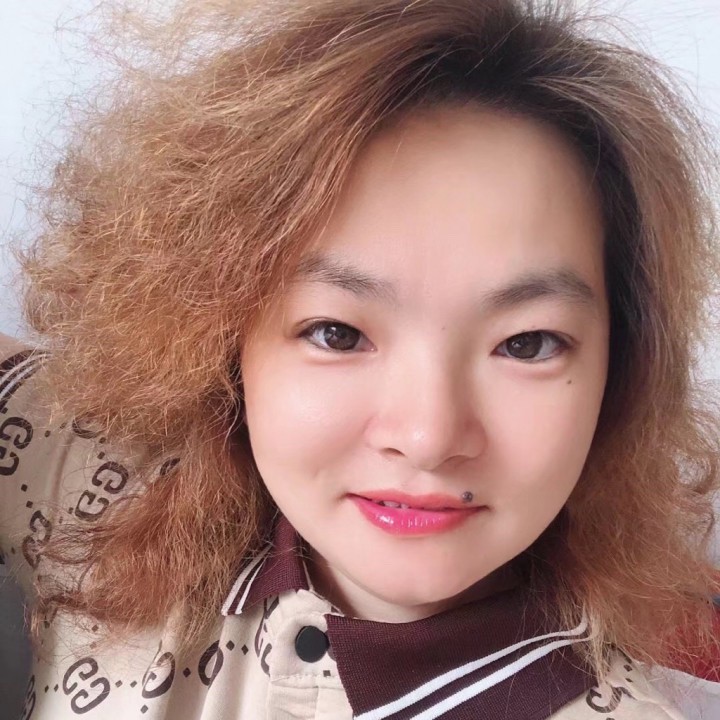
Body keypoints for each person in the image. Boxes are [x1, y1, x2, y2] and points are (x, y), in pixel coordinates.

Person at [1, 0, 718, 717]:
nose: (428, 437)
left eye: (526, 344)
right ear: (221, 338)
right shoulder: (96, 495)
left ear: (619, 373)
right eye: (337, 334)